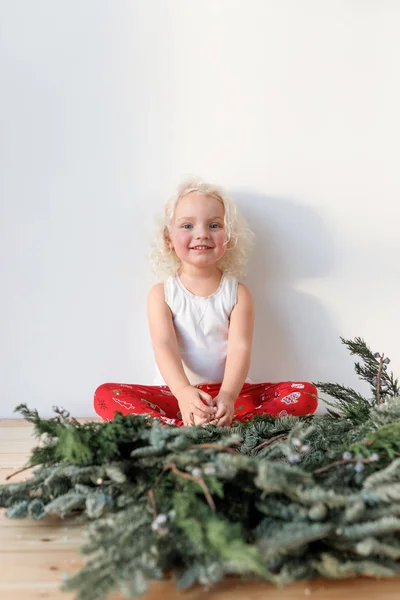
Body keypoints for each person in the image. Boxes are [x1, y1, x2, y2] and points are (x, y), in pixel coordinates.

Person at [94, 176, 318, 426]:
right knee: (104, 395)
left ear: (229, 237)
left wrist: (228, 397)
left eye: (214, 225)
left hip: (232, 396)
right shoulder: (162, 294)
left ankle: (223, 422)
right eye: (187, 226)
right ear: (168, 238)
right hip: (174, 396)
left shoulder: (238, 294)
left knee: (305, 392)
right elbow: (164, 346)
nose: (201, 234)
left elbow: (239, 349)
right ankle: (181, 428)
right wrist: (183, 393)